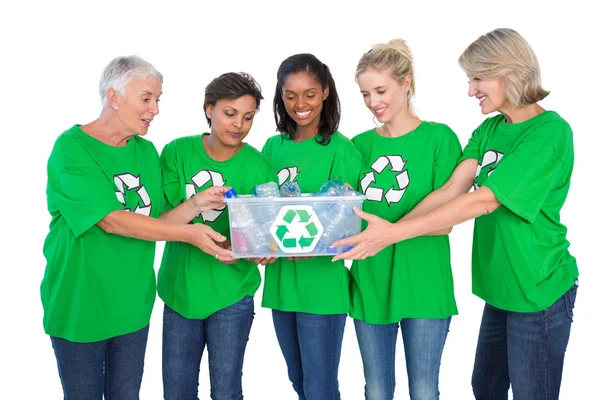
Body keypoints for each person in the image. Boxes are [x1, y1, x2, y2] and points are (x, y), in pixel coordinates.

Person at [332, 28, 579, 400]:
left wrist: (391, 234)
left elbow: (484, 201)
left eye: (477, 78)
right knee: (486, 387)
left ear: (507, 71)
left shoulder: (549, 132)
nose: (471, 89)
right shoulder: (489, 130)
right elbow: (450, 191)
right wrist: (387, 231)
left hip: (539, 288)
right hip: (501, 290)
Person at [41, 56, 233, 400]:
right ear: (114, 98)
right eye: (147, 99)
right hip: (81, 305)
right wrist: (191, 234)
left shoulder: (145, 152)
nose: (155, 109)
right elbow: (111, 220)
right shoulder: (72, 149)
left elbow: (154, 224)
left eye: (158, 100)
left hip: (132, 306)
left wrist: (195, 206)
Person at [348, 39, 461, 400]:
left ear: (406, 83)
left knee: (425, 391)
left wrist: (388, 233)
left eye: (380, 90)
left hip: (424, 282)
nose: (373, 102)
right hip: (370, 281)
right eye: (365, 94)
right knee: (377, 390)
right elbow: (346, 217)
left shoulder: (440, 139)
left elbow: (445, 221)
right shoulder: (358, 145)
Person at [158, 72, 276, 400]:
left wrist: (262, 252)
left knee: (225, 391)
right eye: (230, 113)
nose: (239, 124)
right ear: (209, 109)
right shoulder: (177, 152)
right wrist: (196, 203)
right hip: (180, 291)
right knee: (177, 392)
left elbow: (263, 239)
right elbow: (161, 223)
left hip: (231, 294)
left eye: (248, 117)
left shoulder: (257, 166)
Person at [261, 53, 362, 400]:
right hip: (280, 284)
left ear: (326, 93)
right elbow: (263, 213)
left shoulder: (342, 150)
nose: (300, 104)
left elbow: (346, 221)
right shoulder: (272, 148)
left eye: (309, 94)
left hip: (322, 287)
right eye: (290, 95)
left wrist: (313, 245)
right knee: (298, 380)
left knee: (319, 387)